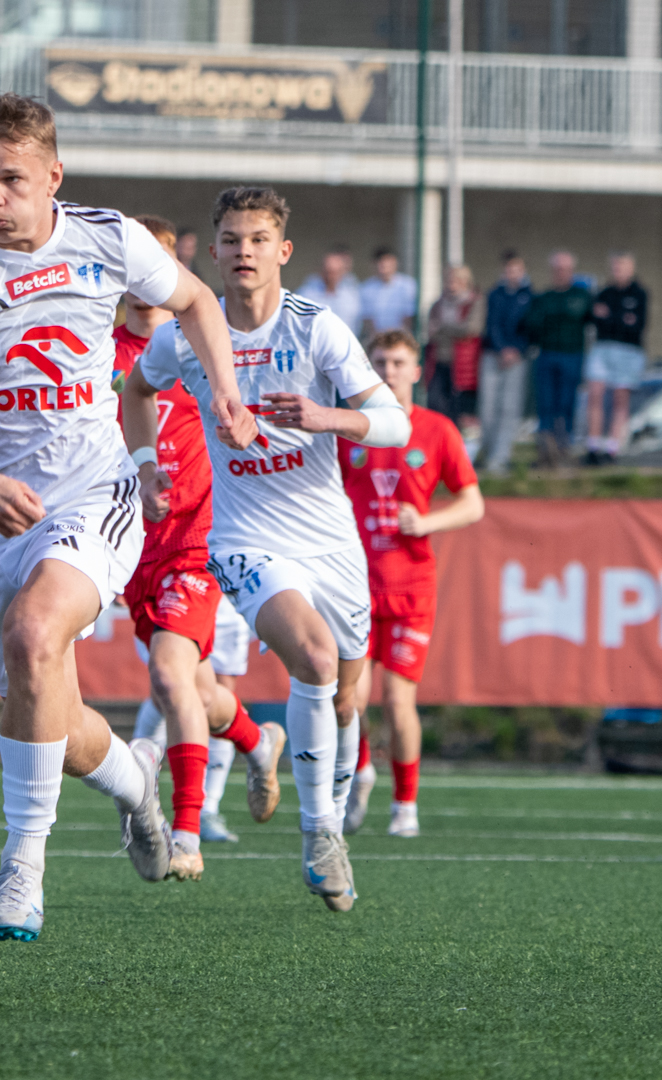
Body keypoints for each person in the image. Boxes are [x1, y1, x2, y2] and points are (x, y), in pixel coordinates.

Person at [0, 94, 253, 942]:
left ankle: (23, 868)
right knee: (47, 704)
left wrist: (227, 391)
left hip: (92, 490)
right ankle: (135, 786)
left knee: (34, 633)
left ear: (54, 175)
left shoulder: (108, 238)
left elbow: (199, 302)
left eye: (11, 179)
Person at [137, 185, 410, 912]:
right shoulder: (183, 336)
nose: (244, 252)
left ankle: (330, 809)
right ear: (213, 251)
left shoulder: (316, 328)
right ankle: (321, 837)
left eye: (258, 239)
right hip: (245, 538)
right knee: (314, 659)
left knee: (347, 697)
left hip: (331, 539)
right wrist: (144, 463)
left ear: (283, 251)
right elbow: (137, 389)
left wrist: (326, 417)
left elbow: (396, 424)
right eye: (231, 240)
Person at [116, 215, 284, 882]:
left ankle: (185, 831)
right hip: (130, 545)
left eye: (156, 266)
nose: (144, 283)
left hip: (198, 540)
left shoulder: (201, 343)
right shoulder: (95, 348)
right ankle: (255, 740)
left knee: (168, 676)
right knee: (197, 690)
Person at [337, 330, 484, 839]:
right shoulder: (351, 428)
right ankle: (361, 771)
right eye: (380, 361)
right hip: (355, 583)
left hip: (411, 586)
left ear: (417, 371)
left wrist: (426, 523)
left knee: (399, 701)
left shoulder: (437, 430)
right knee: (349, 700)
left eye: (399, 362)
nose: (390, 370)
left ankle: (405, 804)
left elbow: (472, 503)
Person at [517, 250, 592, 467]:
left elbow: (588, 319)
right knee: (546, 404)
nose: (561, 273)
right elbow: (532, 325)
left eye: (565, 269)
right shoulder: (544, 298)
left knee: (566, 403)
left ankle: (563, 449)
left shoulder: (582, 296)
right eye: (557, 269)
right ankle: (545, 451)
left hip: (572, 355)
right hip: (547, 355)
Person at [582, 252, 649, 466]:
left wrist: (610, 317)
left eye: (622, 266)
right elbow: (594, 319)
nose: (618, 270)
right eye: (615, 267)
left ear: (631, 268)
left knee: (620, 399)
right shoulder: (604, 292)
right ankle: (593, 446)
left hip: (629, 350)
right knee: (595, 394)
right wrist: (620, 318)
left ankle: (612, 448)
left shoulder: (639, 293)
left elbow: (636, 325)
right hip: (603, 348)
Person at [477, 251, 533, 474]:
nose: (512, 273)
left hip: (517, 359)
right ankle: (489, 453)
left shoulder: (530, 295)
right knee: (488, 408)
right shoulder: (494, 294)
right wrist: (501, 350)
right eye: (509, 269)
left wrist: (516, 350)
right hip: (493, 356)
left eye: (516, 269)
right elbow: (491, 325)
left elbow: (529, 327)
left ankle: (501, 458)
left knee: (509, 408)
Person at [424, 263, 482, 435]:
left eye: (455, 280)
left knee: (458, 409)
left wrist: (443, 327)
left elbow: (471, 329)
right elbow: (431, 330)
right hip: (438, 360)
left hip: (463, 364)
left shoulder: (473, 302)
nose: (450, 284)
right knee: (436, 404)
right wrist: (453, 329)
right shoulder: (438, 304)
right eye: (448, 280)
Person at [298, 243, 362, 332]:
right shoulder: (307, 293)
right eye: (328, 272)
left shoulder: (352, 294)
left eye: (335, 273)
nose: (330, 277)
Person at [357, 245, 418, 338]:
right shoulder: (366, 288)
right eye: (380, 262)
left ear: (395, 262)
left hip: (402, 338)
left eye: (387, 261)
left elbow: (408, 318)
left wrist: (396, 338)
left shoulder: (407, 285)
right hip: (378, 339)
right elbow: (368, 320)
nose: (383, 266)